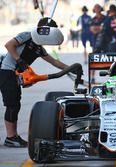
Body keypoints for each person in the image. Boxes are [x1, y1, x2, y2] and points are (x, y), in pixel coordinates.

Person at [0, 17, 69, 147]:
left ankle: (13, 136)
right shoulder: (27, 36)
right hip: (6, 72)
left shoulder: (39, 49)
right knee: (12, 105)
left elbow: (54, 62)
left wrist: (70, 69)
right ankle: (10, 137)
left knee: (15, 105)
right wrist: (18, 59)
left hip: (15, 76)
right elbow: (9, 45)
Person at [89, 4, 107, 83]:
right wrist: (99, 28)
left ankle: (112, 76)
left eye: (98, 8)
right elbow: (92, 29)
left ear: (101, 9)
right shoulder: (93, 19)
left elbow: (104, 28)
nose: (97, 9)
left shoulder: (105, 18)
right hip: (95, 42)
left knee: (109, 58)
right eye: (95, 8)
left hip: (106, 41)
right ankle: (92, 77)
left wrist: (98, 28)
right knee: (93, 59)